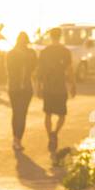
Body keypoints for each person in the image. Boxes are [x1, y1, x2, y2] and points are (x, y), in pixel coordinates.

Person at [35, 27, 75, 156]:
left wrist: (38, 86)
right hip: (60, 88)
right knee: (62, 115)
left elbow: (39, 71)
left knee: (48, 114)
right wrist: (72, 85)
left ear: (50, 37)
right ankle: (55, 133)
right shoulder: (65, 51)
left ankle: (50, 136)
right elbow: (69, 70)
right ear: (60, 36)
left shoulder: (45, 52)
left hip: (48, 87)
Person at [5, 31, 37, 149]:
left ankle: (16, 139)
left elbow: (8, 71)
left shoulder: (10, 53)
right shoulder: (31, 53)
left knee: (16, 113)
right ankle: (18, 139)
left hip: (13, 87)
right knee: (22, 114)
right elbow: (34, 68)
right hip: (25, 88)